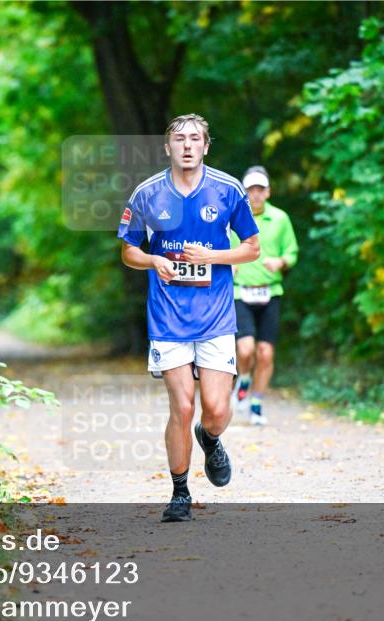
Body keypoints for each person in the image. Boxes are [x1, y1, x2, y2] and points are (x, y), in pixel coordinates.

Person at [117, 114, 260, 522]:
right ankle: (180, 493)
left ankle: (210, 439)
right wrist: (153, 260)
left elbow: (251, 248)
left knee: (214, 409)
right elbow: (129, 251)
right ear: (167, 147)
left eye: (195, 139)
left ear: (206, 147)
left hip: (215, 315)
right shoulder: (147, 194)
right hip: (168, 318)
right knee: (182, 406)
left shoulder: (228, 189)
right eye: (179, 139)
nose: (187, 145)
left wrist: (212, 256)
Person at [230, 166, 298, 425]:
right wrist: (229, 263)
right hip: (240, 292)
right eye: (250, 190)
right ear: (244, 193)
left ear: (268, 192)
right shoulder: (234, 218)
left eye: (260, 189)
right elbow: (221, 247)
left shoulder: (280, 219)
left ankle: (256, 402)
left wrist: (281, 261)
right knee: (245, 349)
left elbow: (292, 252)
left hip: (271, 292)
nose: (255, 194)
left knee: (266, 353)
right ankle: (243, 379)